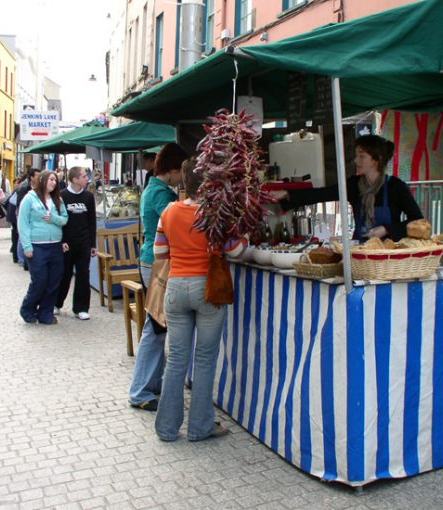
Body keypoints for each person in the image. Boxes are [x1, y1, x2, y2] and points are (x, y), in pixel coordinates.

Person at [153, 157, 245, 441]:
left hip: (176, 288)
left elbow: (158, 254)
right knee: (204, 359)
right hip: (208, 289)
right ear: (209, 185)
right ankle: (200, 427)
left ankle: (167, 429)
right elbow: (237, 251)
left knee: (177, 358)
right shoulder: (218, 214)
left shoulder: (169, 211)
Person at [272, 135, 423, 242]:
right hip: (359, 250)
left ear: (377, 160)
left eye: (362, 156)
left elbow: (418, 220)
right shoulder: (354, 185)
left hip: (389, 253)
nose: (356, 160)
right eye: (357, 156)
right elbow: (322, 194)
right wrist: (287, 194)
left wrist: (387, 229)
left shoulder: (395, 187)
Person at [129, 142, 188, 411]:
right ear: (173, 170)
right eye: (181, 172)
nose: (182, 178)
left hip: (153, 263)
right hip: (158, 266)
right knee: (154, 329)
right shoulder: (161, 195)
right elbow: (177, 227)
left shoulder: (155, 189)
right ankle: (141, 392)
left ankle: (151, 385)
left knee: (156, 328)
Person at [18, 170, 68, 325]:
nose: (54, 182)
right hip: (37, 246)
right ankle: (27, 308)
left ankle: (45, 313)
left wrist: (53, 218)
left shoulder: (57, 199)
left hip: (55, 246)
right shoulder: (29, 199)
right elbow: (23, 223)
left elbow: (64, 219)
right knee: (40, 280)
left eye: (55, 180)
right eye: (51, 179)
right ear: (42, 180)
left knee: (54, 281)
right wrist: (27, 246)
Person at [55, 166, 97, 320]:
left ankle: (81, 308)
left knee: (83, 275)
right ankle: (57, 303)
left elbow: (92, 221)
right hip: (68, 243)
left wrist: (93, 244)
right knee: (64, 274)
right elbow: (59, 221)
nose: (87, 178)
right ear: (75, 179)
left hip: (84, 242)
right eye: (84, 176)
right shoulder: (62, 196)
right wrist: (62, 241)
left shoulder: (88, 196)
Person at [16, 168, 41, 269]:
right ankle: (22, 259)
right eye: (37, 176)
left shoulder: (38, 187)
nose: (39, 178)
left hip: (34, 217)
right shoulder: (24, 188)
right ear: (31, 177)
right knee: (23, 237)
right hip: (26, 216)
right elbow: (21, 204)